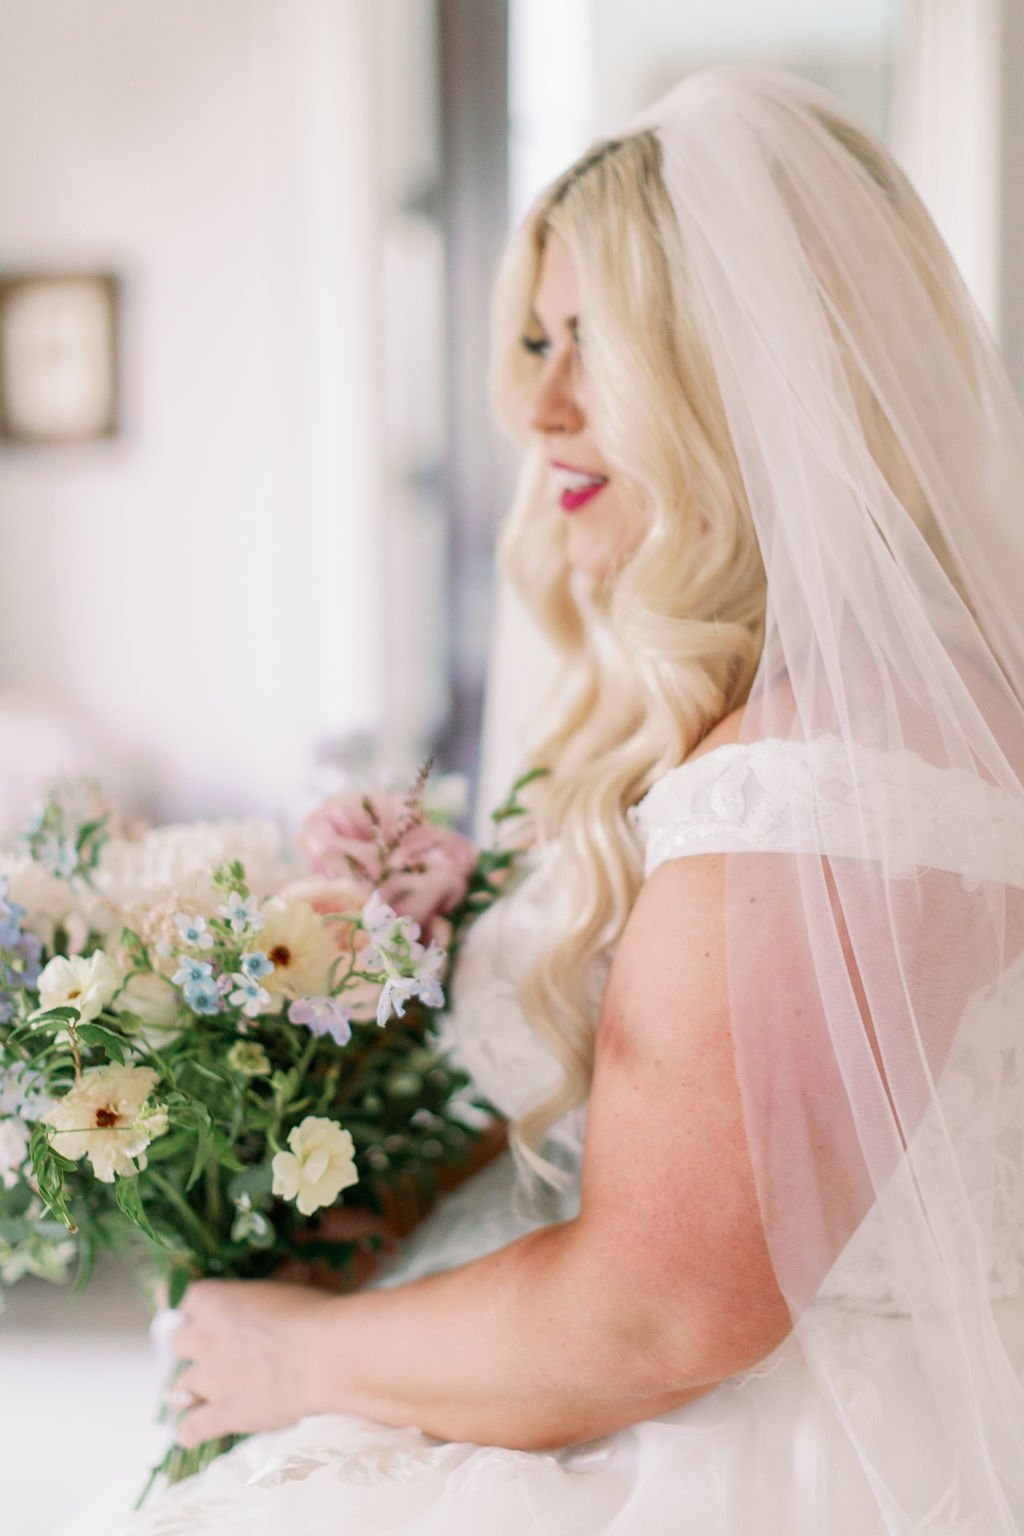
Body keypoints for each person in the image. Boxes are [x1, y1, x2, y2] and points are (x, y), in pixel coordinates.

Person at [83, 64, 1024, 1534]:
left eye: (604, 346)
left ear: (756, 376)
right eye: (539, 340)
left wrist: (294, 1357)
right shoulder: (845, 713)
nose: (544, 405)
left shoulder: (822, 780)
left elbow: (662, 1313)